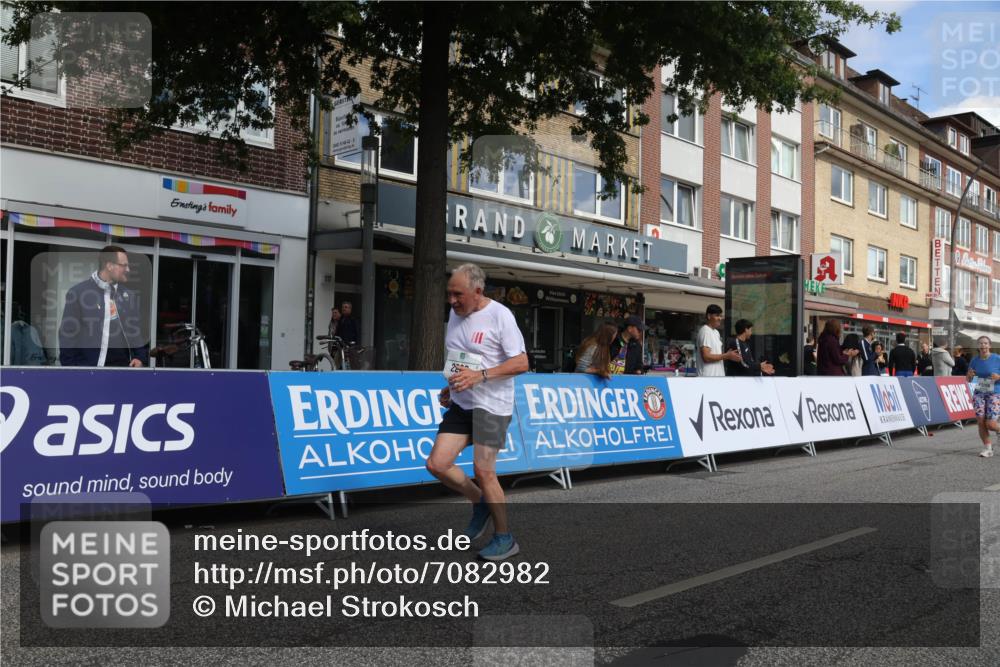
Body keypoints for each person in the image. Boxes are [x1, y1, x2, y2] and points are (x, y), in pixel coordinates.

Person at [426, 263, 529, 561]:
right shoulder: (456, 315)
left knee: (484, 471)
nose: (452, 301)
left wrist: (480, 376)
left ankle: (505, 538)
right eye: (449, 294)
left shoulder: (500, 315)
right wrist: (452, 386)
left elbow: (521, 363)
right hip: (463, 403)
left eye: (458, 294)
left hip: (492, 406)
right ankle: (481, 503)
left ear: (478, 291)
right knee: (437, 464)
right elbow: (462, 358)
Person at [58, 245, 149, 367]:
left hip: (123, 369)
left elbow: (135, 331)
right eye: (124, 265)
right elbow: (68, 333)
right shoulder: (78, 293)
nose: (128, 269)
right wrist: (71, 368)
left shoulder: (129, 296)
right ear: (109, 265)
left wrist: (140, 357)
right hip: (89, 370)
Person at [967, 335, 1000, 458]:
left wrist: (998, 377)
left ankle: (998, 430)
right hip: (979, 392)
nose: (983, 345)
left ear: (990, 346)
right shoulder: (974, 360)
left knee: (991, 424)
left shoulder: (997, 359)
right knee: (981, 421)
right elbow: (969, 379)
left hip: (995, 393)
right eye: (981, 343)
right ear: (978, 346)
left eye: (986, 343)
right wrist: (970, 375)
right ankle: (988, 448)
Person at [695, 304, 741, 377]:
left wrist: (729, 356)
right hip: (707, 379)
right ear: (709, 316)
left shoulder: (716, 332)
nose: (720, 318)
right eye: (717, 315)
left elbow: (717, 356)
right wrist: (727, 356)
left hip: (717, 378)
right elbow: (706, 357)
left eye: (720, 316)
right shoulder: (705, 331)